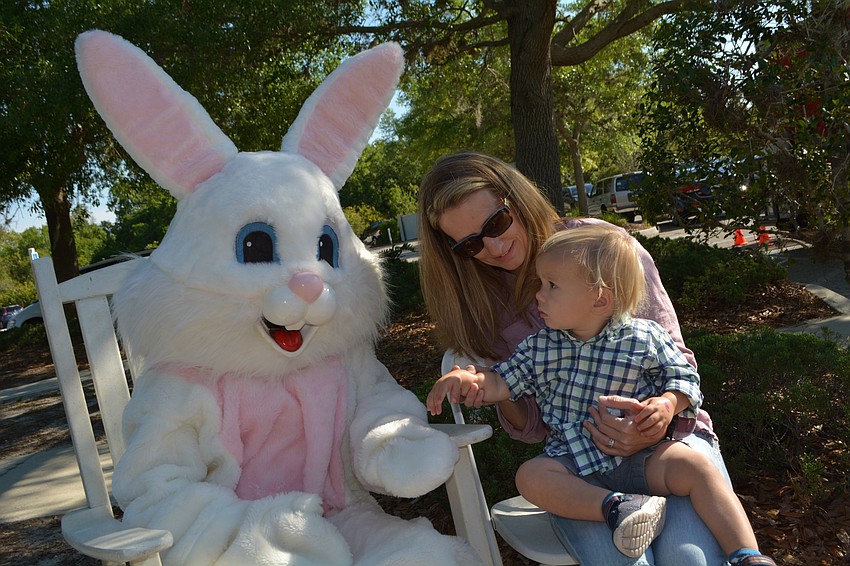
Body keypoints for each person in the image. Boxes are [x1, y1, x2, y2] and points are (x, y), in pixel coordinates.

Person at [417, 151, 731, 565]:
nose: (493, 246)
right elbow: (531, 427)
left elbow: (677, 362)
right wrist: (493, 388)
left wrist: (657, 420)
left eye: (496, 223)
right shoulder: (482, 307)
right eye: (471, 243)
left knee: (689, 559)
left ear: (517, 199)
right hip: (584, 469)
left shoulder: (600, 248)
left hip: (672, 445)